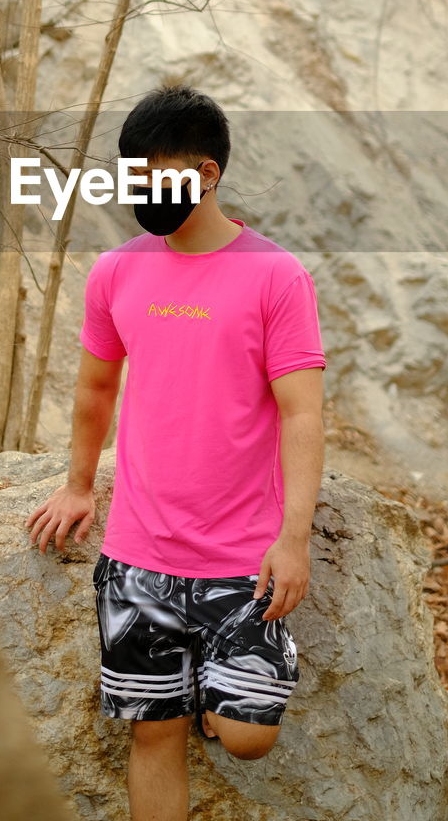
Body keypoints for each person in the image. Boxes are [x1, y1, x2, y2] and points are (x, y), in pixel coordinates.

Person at [25, 85, 326, 821]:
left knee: (245, 735)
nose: (141, 192)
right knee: (151, 732)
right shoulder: (117, 271)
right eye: (133, 177)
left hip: (239, 561)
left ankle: (221, 687)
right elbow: (95, 388)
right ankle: (186, 690)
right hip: (137, 556)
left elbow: (302, 411)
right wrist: (76, 484)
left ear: (206, 174)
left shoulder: (275, 275)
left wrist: (293, 538)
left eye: (156, 176)